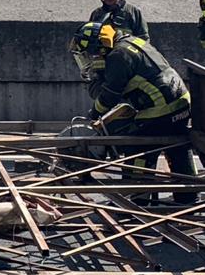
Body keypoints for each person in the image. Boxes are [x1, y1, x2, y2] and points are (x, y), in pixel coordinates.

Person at [70, 21, 196, 206]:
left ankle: (138, 199)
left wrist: (93, 114)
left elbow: (110, 96)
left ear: (99, 48)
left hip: (160, 109)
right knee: (177, 145)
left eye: (89, 54)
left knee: (136, 146)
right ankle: (188, 197)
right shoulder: (131, 42)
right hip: (181, 104)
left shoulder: (117, 57)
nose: (89, 58)